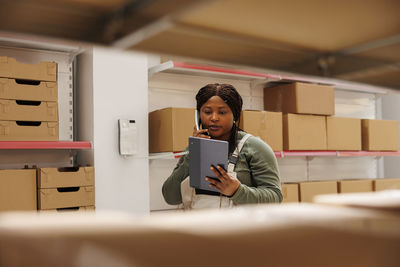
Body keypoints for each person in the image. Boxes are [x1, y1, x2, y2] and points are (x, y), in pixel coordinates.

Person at [162, 83, 282, 209]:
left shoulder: (255, 148)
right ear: (198, 115)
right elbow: (170, 197)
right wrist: (192, 154)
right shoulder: (193, 149)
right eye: (207, 112)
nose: (214, 118)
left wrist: (237, 191)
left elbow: (275, 197)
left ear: (235, 115)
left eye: (222, 112)